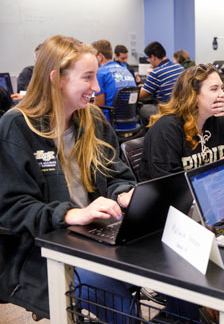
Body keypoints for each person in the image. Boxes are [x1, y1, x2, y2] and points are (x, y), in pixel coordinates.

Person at [0, 35, 136, 320]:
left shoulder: (93, 120)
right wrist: (71, 214)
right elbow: (12, 208)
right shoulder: (16, 127)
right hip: (44, 248)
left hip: (99, 233)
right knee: (122, 306)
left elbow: (116, 174)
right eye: (87, 78)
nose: (97, 88)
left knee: (179, 281)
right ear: (56, 79)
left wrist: (123, 193)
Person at [140, 63, 224, 180]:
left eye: (222, 88)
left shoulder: (216, 121)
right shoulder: (166, 129)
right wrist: (217, 170)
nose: (223, 95)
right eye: (214, 89)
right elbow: (170, 185)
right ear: (193, 96)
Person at [138, 41, 184, 123]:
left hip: (166, 110)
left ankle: (149, 134)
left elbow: (141, 95)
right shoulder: (179, 67)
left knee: (140, 108)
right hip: (182, 108)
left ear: (153, 57)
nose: (149, 62)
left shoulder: (156, 72)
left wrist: (140, 88)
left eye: (149, 59)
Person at [92, 39, 136, 121]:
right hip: (130, 122)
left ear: (100, 57)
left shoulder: (100, 73)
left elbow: (98, 108)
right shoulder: (126, 71)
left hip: (109, 125)